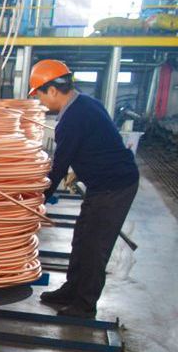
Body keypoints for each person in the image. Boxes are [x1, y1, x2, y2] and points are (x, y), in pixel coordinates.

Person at [30, 59, 140, 318]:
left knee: (94, 245)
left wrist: (37, 201)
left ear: (52, 90)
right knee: (81, 238)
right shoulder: (87, 104)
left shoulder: (72, 119)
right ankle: (71, 290)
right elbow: (100, 141)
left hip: (114, 187)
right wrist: (79, 170)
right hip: (104, 183)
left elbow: (57, 167)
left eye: (40, 95)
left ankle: (84, 304)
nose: (40, 102)